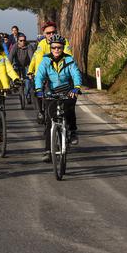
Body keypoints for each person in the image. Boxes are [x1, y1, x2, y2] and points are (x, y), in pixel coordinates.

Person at [34, 34, 82, 162]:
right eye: (54, 47)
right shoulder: (45, 60)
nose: (56, 50)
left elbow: (76, 73)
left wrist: (76, 87)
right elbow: (39, 76)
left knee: (69, 110)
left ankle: (72, 131)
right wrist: (39, 89)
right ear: (50, 48)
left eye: (59, 48)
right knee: (50, 121)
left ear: (62, 48)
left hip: (68, 90)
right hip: (51, 92)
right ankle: (48, 151)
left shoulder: (69, 60)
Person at [28, 21, 73, 123]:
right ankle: (40, 111)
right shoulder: (42, 44)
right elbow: (37, 59)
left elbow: (69, 55)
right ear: (44, 34)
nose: (51, 35)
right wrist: (35, 73)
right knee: (37, 89)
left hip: (61, 73)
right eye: (48, 33)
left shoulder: (64, 41)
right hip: (46, 73)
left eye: (53, 32)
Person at [8, 33, 35, 103]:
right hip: (17, 65)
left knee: (28, 81)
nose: (22, 42)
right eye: (21, 40)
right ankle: (14, 85)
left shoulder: (29, 46)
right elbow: (10, 57)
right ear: (18, 41)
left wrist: (31, 69)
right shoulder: (15, 46)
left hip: (27, 65)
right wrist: (9, 67)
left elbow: (32, 58)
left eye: (24, 40)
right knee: (16, 76)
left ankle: (27, 94)